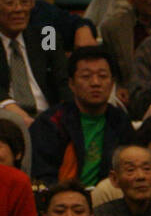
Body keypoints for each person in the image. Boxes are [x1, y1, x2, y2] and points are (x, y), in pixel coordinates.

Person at [29, 46, 131, 191]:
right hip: (62, 199)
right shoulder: (51, 123)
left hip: (109, 200)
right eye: (86, 76)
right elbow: (42, 177)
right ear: (71, 84)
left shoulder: (120, 121)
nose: (95, 83)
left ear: (112, 83)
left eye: (102, 76)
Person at [0, 0, 67, 123]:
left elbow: (62, 80)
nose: (18, 9)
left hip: (49, 119)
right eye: (9, 3)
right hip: (5, 119)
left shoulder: (46, 35)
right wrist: (17, 114)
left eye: (24, 2)